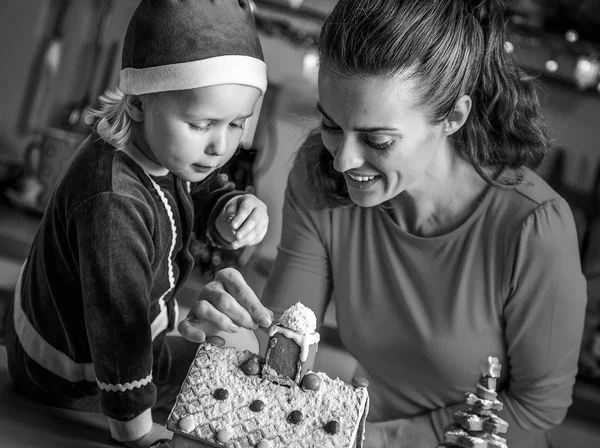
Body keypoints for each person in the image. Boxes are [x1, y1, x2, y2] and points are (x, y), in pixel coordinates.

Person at [177, 0, 587, 447]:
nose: (344, 160)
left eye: (378, 139)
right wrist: (233, 330)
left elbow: (536, 408)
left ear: (453, 117)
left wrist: (368, 439)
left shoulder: (534, 227)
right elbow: (281, 344)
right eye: (332, 125)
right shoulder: (318, 177)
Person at [3, 0, 270, 447]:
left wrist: (231, 212)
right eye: (202, 124)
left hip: (125, 344)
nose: (219, 146)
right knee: (230, 378)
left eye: (237, 125)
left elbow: (198, 199)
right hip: (69, 370)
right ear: (142, 102)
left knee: (234, 366)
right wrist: (138, 437)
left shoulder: (165, 151)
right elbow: (118, 333)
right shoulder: (113, 201)